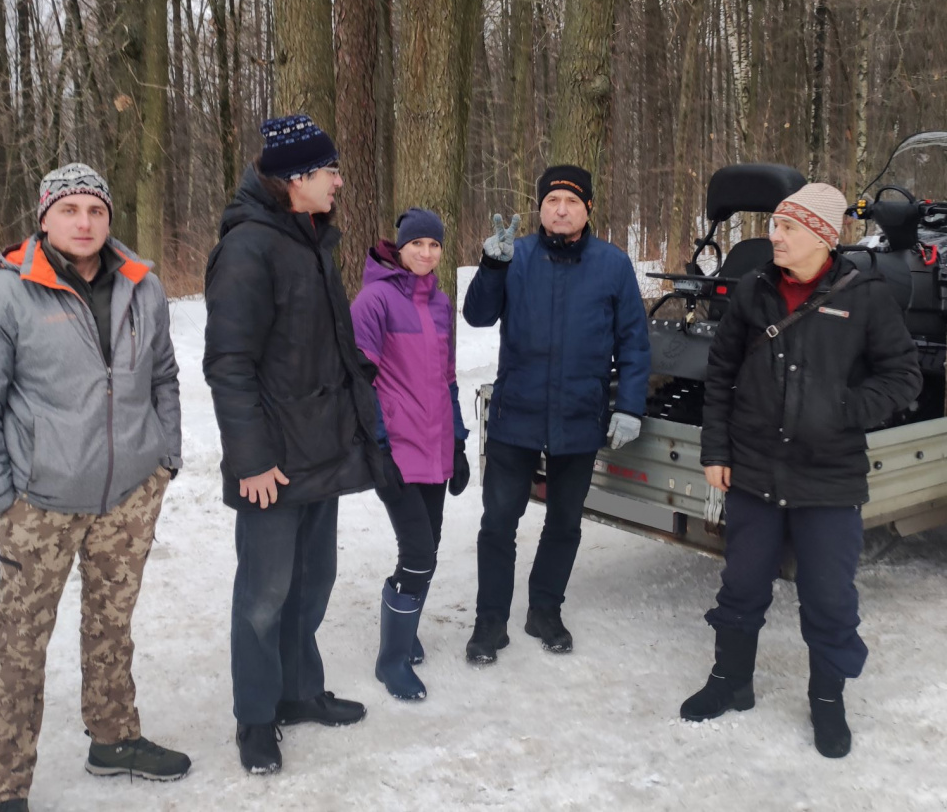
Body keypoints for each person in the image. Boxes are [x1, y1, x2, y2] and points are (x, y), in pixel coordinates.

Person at [0, 163, 189, 812]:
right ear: (44, 217)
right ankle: (4, 785)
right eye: (70, 209)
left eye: (96, 209)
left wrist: (164, 457)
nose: (84, 221)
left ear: (110, 218)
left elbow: (163, 374)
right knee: (20, 644)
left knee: (112, 625)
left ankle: (113, 738)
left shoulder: (142, 285)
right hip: (40, 502)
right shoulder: (2, 296)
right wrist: (4, 494)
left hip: (128, 493)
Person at [681, 183, 922, 758]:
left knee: (829, 597)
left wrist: (843, 409)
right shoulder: (753, 291)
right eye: (777, 225)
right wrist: (716, 452)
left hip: (829, 477)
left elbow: (903, 376)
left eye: (788, 228)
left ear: (823, 235)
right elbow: (720, 374)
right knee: (740, 586)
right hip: (754, 471)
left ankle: (827, 702)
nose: (774, 236)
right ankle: (730, 681)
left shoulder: (865, 296)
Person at [203, 114, 383, 775]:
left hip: (321, 449)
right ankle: (256, 716)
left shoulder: (308, 237)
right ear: (295, 179)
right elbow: (228, 363)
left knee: (312, 584)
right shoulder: (249, 248)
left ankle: (298, 690)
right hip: (272, 463)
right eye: (329, 170)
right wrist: (251, 458)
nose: (339, 180)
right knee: (263, 595)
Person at [462, 164, 651, 663]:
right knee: (498, 522)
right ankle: (490, 622)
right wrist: (491, 267)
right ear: (540, 208)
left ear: (588, 208)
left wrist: (630, 404)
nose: (560, 210)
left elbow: (634, 340)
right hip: (516, 413)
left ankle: (545, 609)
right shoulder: (515, 256)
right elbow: (477, 315)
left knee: (565, 522)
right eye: (551, 201)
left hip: (578, 416)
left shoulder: (613, 265)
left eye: (571, 201)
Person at [350, 207, 471, 701]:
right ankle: (391, 659)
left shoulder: (440, 303)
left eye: (434, 245)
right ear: (399, 247)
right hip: (398, 449)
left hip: (435, 447)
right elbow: (361, 380)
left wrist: (459, 441)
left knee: (428, 548)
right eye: (417, 244)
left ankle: (404, 630)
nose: (425, 252)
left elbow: (448, 378)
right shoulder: (374, 300)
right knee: (419, 554)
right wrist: (378, 447)